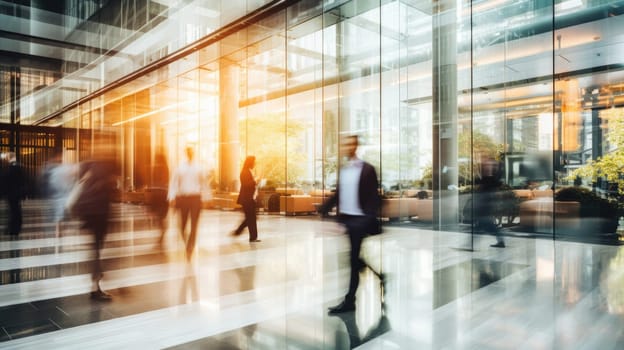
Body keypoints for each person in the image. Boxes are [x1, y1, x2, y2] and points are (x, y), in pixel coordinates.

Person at [318, 135, 384, 314]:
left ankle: (350, 300)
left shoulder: (368, 169)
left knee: (353, 259)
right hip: (347, 219)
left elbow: (373, 197)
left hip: (360, 221)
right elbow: (338, 194)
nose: (347, 147)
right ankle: (381, 277)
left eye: (350, 144)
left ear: (356, 147)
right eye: (345, 144)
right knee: (355, 259)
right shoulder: (344, 170)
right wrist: (323, 208)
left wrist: (368, 217)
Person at [73, 153, 117, 300]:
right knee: (97, 250)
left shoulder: (87, 166)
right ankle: (95, 286)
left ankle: (96, 283)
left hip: (89, 215)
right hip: (99, 214)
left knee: (95, 250)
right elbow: (106, 191)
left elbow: (80, 186)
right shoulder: (102, 168)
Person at [169, 146, 209, 261]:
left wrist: (207, 198)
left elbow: (204, 183)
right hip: (183, 198)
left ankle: (190, 247)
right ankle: (187, 242)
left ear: (194, 153)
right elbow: (173, 183)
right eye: (188, 152)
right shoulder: (180, 167)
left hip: (196, 198)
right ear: (186, 153)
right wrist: (172, 197)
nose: (190, 153)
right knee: (182, 225)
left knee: (194, 225)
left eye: (192, 152)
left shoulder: (199, 167)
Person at [476, 157, 505, 248]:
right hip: (483, 204)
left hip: (486, 205)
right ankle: (500, 241)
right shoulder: (487, 179)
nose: (486, 167)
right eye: (485, 165)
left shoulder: (492, 179)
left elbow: (491, 188)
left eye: (488, 165)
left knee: (486, 225)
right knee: (483, 225)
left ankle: (501, 241)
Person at [231, 156, 260, 242]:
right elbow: (246, 185)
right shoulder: (244, 172)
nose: (255, 164)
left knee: (251, 218)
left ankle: (243, 234)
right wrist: (255, 181)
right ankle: (250, 236)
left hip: (250, 198)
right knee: (251, 218)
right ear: (250, 162)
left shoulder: (248, 172)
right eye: (254, 162)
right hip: (247, 199)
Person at [147, 152, 169, 247]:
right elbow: (166, 181)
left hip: (157, 194)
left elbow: (153, 182)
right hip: (163, 194)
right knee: (161, 215)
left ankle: (162, 229)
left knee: (158, 215)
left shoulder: (156, 168)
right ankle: (163, 229)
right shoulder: (166, 168)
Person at [3, 152, 26, 237]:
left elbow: (7, 181)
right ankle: (14, 228)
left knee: (14, 211)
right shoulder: (18, 167)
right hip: (16, 193)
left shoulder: (12, 167)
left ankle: (13, 228)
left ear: (9, 157)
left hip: (12, 194)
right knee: (15, 211)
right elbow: (23, 181)